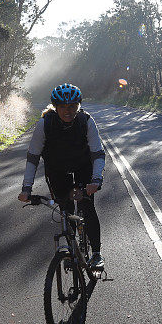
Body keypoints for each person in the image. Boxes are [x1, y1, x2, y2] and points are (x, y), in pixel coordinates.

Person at [18, 83, 106, 269]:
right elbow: (33, 157)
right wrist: (27, 188)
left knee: (87, 206)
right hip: (57, 170)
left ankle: (96, 253)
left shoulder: (86, 121)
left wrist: (96, 180)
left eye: (73, 106)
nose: (68, 111)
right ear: (55, 107)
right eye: (63, 107)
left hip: (83, 166)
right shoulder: (45, 124)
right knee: (66, 210)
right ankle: (73, 252)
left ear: (78, 106)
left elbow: (98, 153)